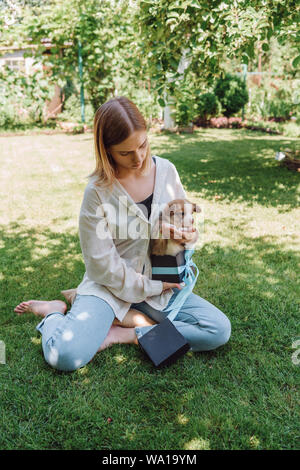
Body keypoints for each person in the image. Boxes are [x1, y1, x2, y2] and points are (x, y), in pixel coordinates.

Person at [14, 96, 231, 372]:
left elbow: (185, 230)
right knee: (65, 356)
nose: (139, 158)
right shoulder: (97, 192)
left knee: (217, 329)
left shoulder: (167, 171)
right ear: (107, 150)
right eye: (126, 153)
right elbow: (101, 265)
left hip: (160, 287)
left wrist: (186, 236)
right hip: (111, 289)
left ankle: (127, 331)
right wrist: (150, 287)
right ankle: (55, 311)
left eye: (142, 145)